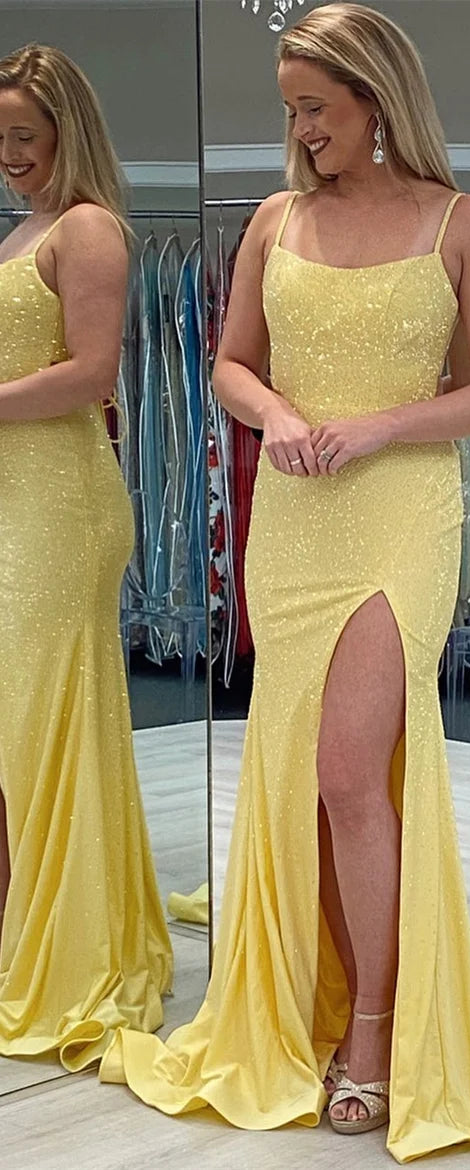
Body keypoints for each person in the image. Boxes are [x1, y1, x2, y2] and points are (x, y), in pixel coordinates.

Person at [100, 5, 470, 1158]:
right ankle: (313, 989)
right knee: (304, 775)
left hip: (402, 515)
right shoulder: (275, 220)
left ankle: (376, 1032)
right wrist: (280, 414)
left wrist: (382, 425)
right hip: (296, 520)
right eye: (290, 109)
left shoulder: (463, 222)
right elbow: (230, 366)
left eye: (316, 107)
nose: (300, 129)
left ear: (377, 99)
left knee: (351, 768)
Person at [0, 43, 172, 1070]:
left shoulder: (89, 228)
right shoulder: (23, 230)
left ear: (69, 129)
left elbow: (90, 372)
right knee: (14, 726)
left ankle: (68, 948)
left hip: (60, 502)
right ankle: (24, 928)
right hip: (14, 495)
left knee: (40, 719)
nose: (8, 153)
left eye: (24, 134)